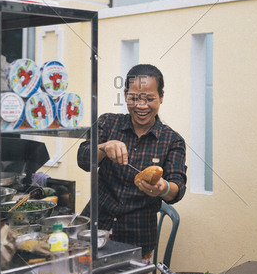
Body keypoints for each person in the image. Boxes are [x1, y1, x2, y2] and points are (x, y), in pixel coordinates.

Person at [77, 64, 186, 257]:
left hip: (137, 239)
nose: (141, 106)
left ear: (161, 97)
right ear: (126, 95)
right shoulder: (107, 123)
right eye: (134, 98)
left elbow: (177, 189)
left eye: (150, 99)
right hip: (93, 229)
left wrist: (163, 188)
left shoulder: (172, 140)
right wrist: (104, 147)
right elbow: (83, 159)